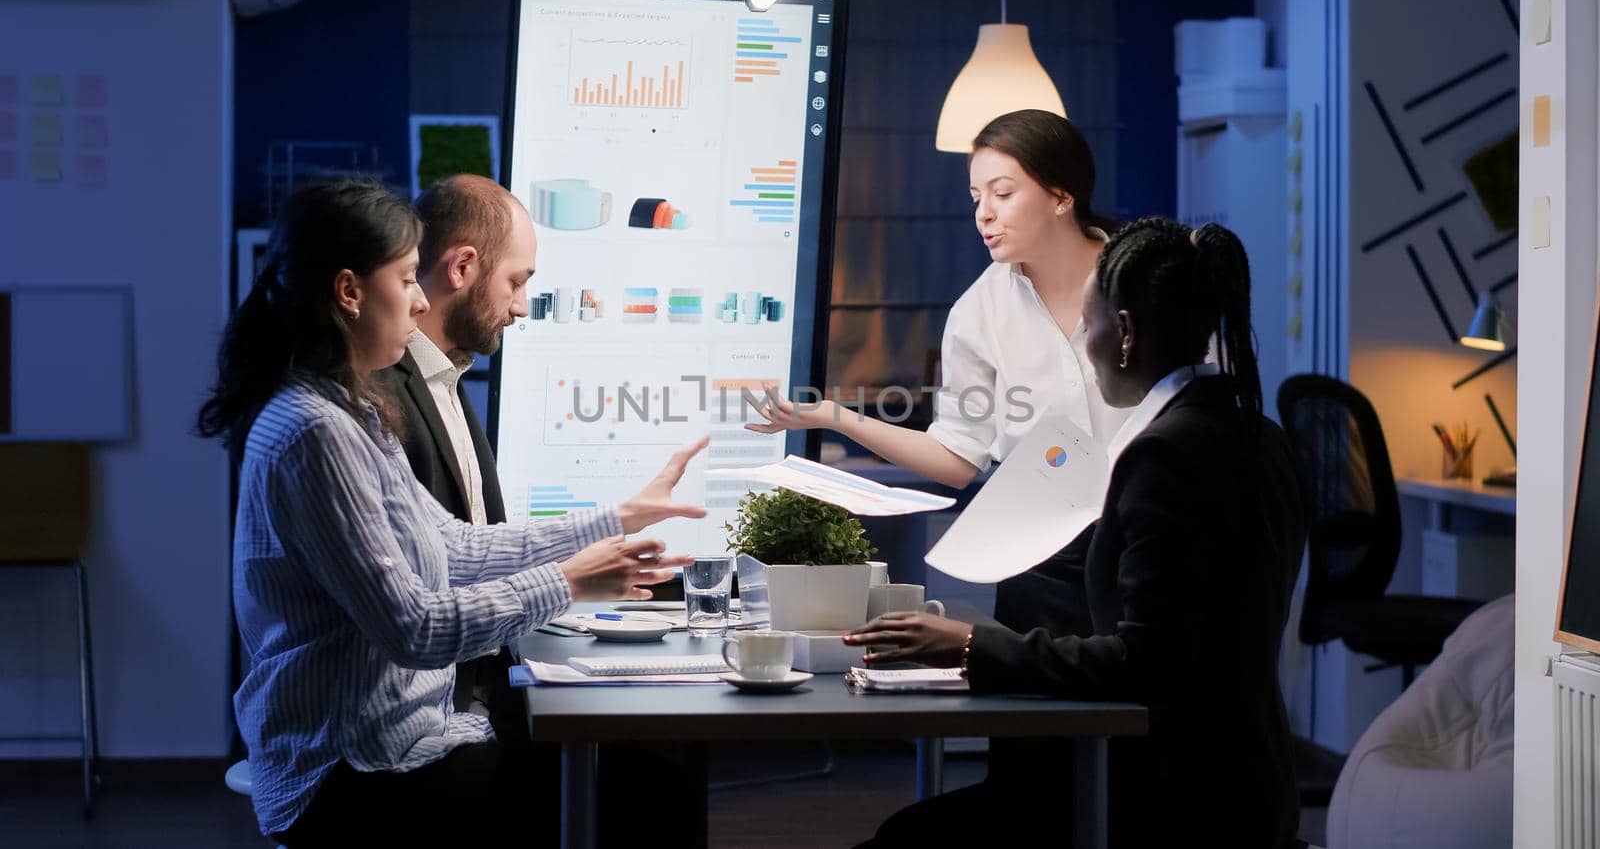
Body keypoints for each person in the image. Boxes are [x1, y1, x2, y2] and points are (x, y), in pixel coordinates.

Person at [197, 179, 707, 845]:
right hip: (348, 771)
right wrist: (569, 582)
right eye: (406, 279)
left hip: (403, 744)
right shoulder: (312, 431)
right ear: (349, 292)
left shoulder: (352, 411)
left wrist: (616, 521)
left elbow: (458, 548)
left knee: (642, 782)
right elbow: (413, 628)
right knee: (646, 795)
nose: (418, 300)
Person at [845, 218, 1308, 848]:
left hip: (1165, 799)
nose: (1084, 347)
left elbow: (1146, 661)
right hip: (1245, 786)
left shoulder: (1163, 454)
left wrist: (968, 642)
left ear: (1123, 333)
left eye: (1086, 326)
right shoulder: (1262, 437)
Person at [747, 109, 1125, 637]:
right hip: (1040, 560)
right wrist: (836, 417)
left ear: (1062, 196)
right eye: (977, 198)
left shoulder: (1144, 279)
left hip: (1153, 543)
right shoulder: (978, 311)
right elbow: (957, 459)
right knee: (1036, 716)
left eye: (1003, 193)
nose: (984, 214)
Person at [371, 174, 535, 732]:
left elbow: (466, 542)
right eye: (516, 282)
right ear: (462, 268)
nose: (522, 307)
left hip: (470, 691)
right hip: (426, 710)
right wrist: (571, 577)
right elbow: (428, 582)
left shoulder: (446, 377)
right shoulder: (377, 395)